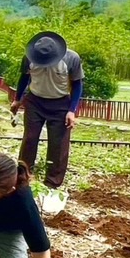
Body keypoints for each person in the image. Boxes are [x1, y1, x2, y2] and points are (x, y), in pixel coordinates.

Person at [12, 30, 84, 208]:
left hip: (60, 103)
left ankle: (52, 183)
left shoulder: (71, 59)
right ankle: (23, 175)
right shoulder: (28, 57)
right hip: (35, 100)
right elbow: (24, 78)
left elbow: (77, 84)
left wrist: (72, 110)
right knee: (29, 139)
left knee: (58, 144)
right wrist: (17, 99)